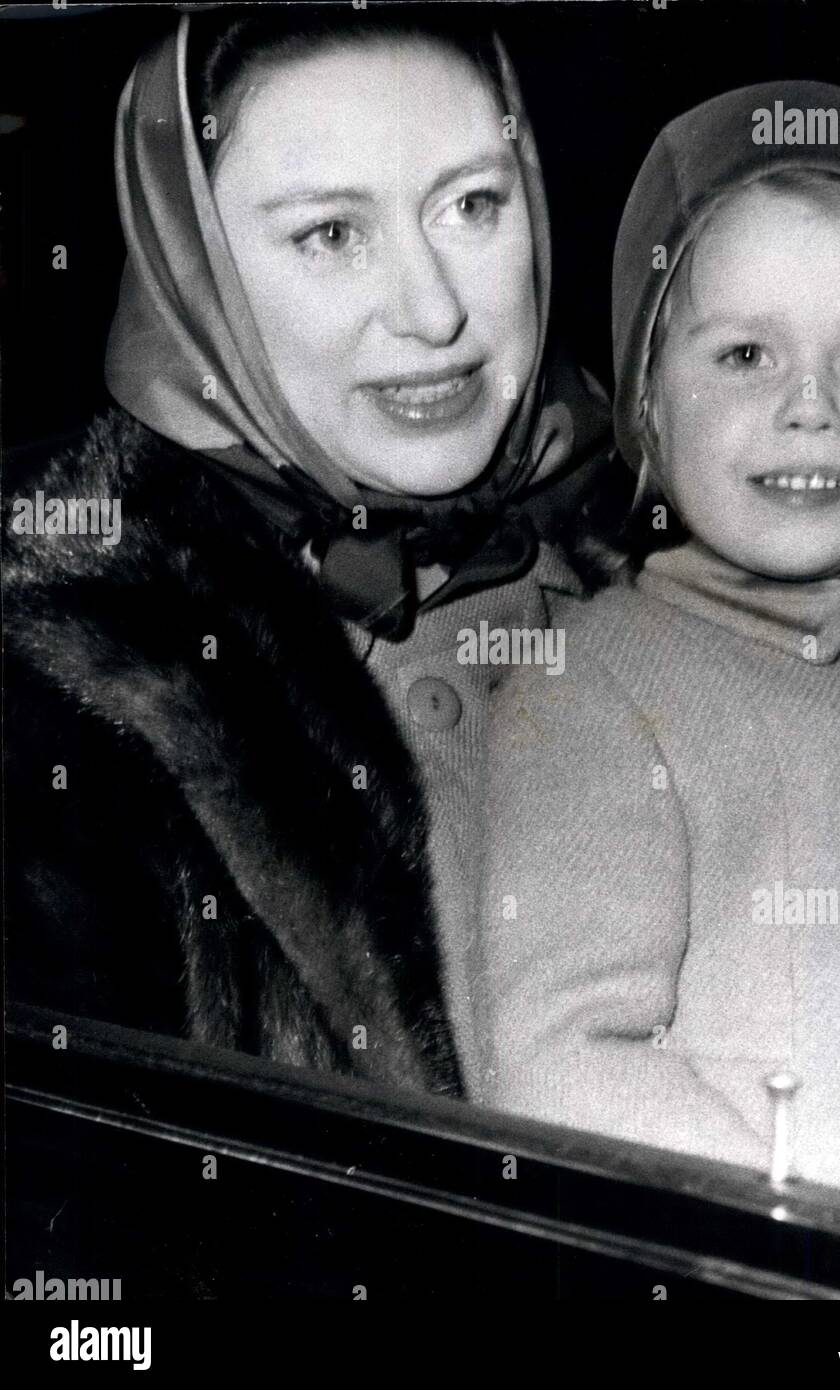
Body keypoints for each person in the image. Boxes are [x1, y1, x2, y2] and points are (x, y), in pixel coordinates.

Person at [4, 9, 623, 1098]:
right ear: (195, 274)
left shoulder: (678, 533)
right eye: (332, 234)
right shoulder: (67, 680)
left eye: (475, 205)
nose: (434, 312)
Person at [474, 81, 840, 1199]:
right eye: (743, 357)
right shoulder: (596, 683)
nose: (810, 407)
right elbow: (562, 1062)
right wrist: (812, 1226)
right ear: (648, 405)